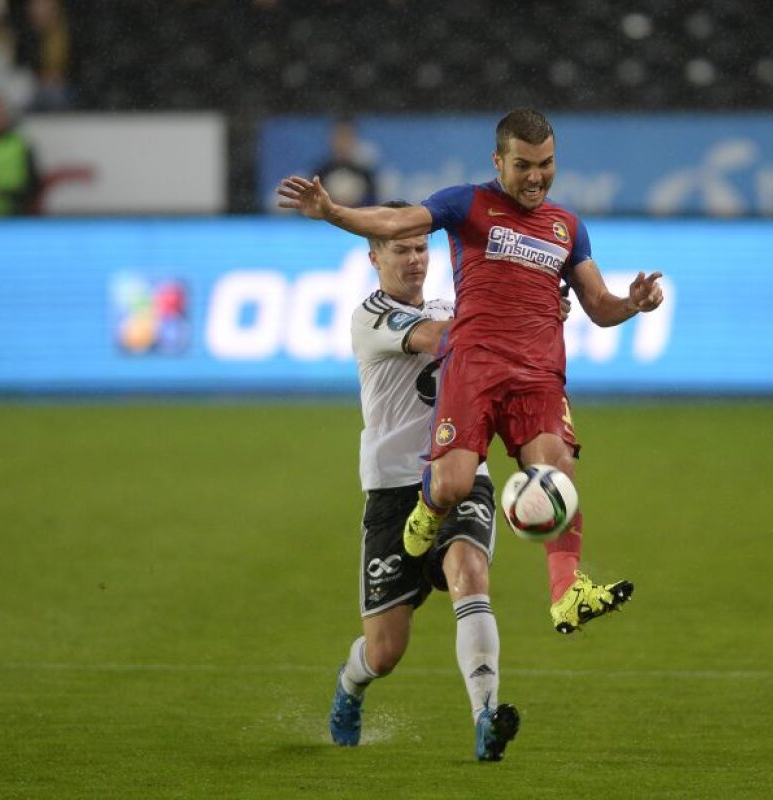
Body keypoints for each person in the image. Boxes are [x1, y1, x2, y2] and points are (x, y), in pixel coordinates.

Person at [278, 108, 664, 635]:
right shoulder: (467, 203)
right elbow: (395, 223)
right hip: (475, 367)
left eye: (546, 164)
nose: (536, 177)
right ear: (498, 161)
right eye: (524, 165)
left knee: (558, 476)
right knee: (455, 482)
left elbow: (598, 305)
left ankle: (567, 592)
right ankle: (425, 513)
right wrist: (332, 212)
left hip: (540, 374)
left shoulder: (568, 226)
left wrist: (633, 303)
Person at [329, 200, 540, 762]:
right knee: (385, 651)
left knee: (469, 572)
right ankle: (350, 685)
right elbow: (438, 340)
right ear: (375, 256)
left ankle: (486, 718)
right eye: (402, 248)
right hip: (393, 492)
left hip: (459, 471)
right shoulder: (371, 317)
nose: (415, 259)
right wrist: (504, 324)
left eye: (422, 247)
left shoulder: (454, 305)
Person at [312, 117, 379, 208]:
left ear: (354, 138)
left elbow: (373, 208)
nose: (342, 142)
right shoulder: (320, 173)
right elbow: (311, 206)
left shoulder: (365, 175)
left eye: (347, 136)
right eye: (338, 136)